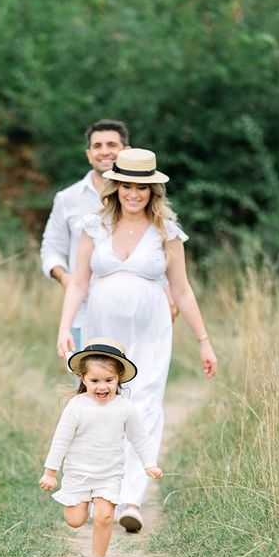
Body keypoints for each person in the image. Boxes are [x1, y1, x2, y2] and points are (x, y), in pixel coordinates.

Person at [56, 148, 218, 533]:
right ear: (116, 187)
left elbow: (182, 290)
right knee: (100, 402)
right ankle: (98, 489)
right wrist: (64, 328)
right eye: (127, 186)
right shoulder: (94, 227)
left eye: (142, 187)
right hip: (102, 326)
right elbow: (78, 283)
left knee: (144, 404)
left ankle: (130, 498)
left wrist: (203, 341)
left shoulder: (167, 232)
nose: (134, 194)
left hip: (152, 330)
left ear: (152, 191)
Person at [39, 338, 162, 557]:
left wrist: (149, 463)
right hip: (78, 474)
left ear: (119, 378)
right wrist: (50, 473)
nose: (102, 387)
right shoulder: (77, 406)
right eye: (94, 381)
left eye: (109, 380)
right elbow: (61, 440)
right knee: (75, 520)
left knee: (104, 516)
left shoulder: (124, 407)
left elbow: (139, 437)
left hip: (109, 474)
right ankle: (83, 502)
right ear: (83, 379)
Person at [40, 119, 130, 350]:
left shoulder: (139, 198)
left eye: (112, 145)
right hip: (84, 314)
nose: (105, 151)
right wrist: (65, 278)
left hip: (131, 314)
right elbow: (51, 249)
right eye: (97, 146)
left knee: (137, 374)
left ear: (126, 151)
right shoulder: (68, 199)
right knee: (86, 374)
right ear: (89, 155)